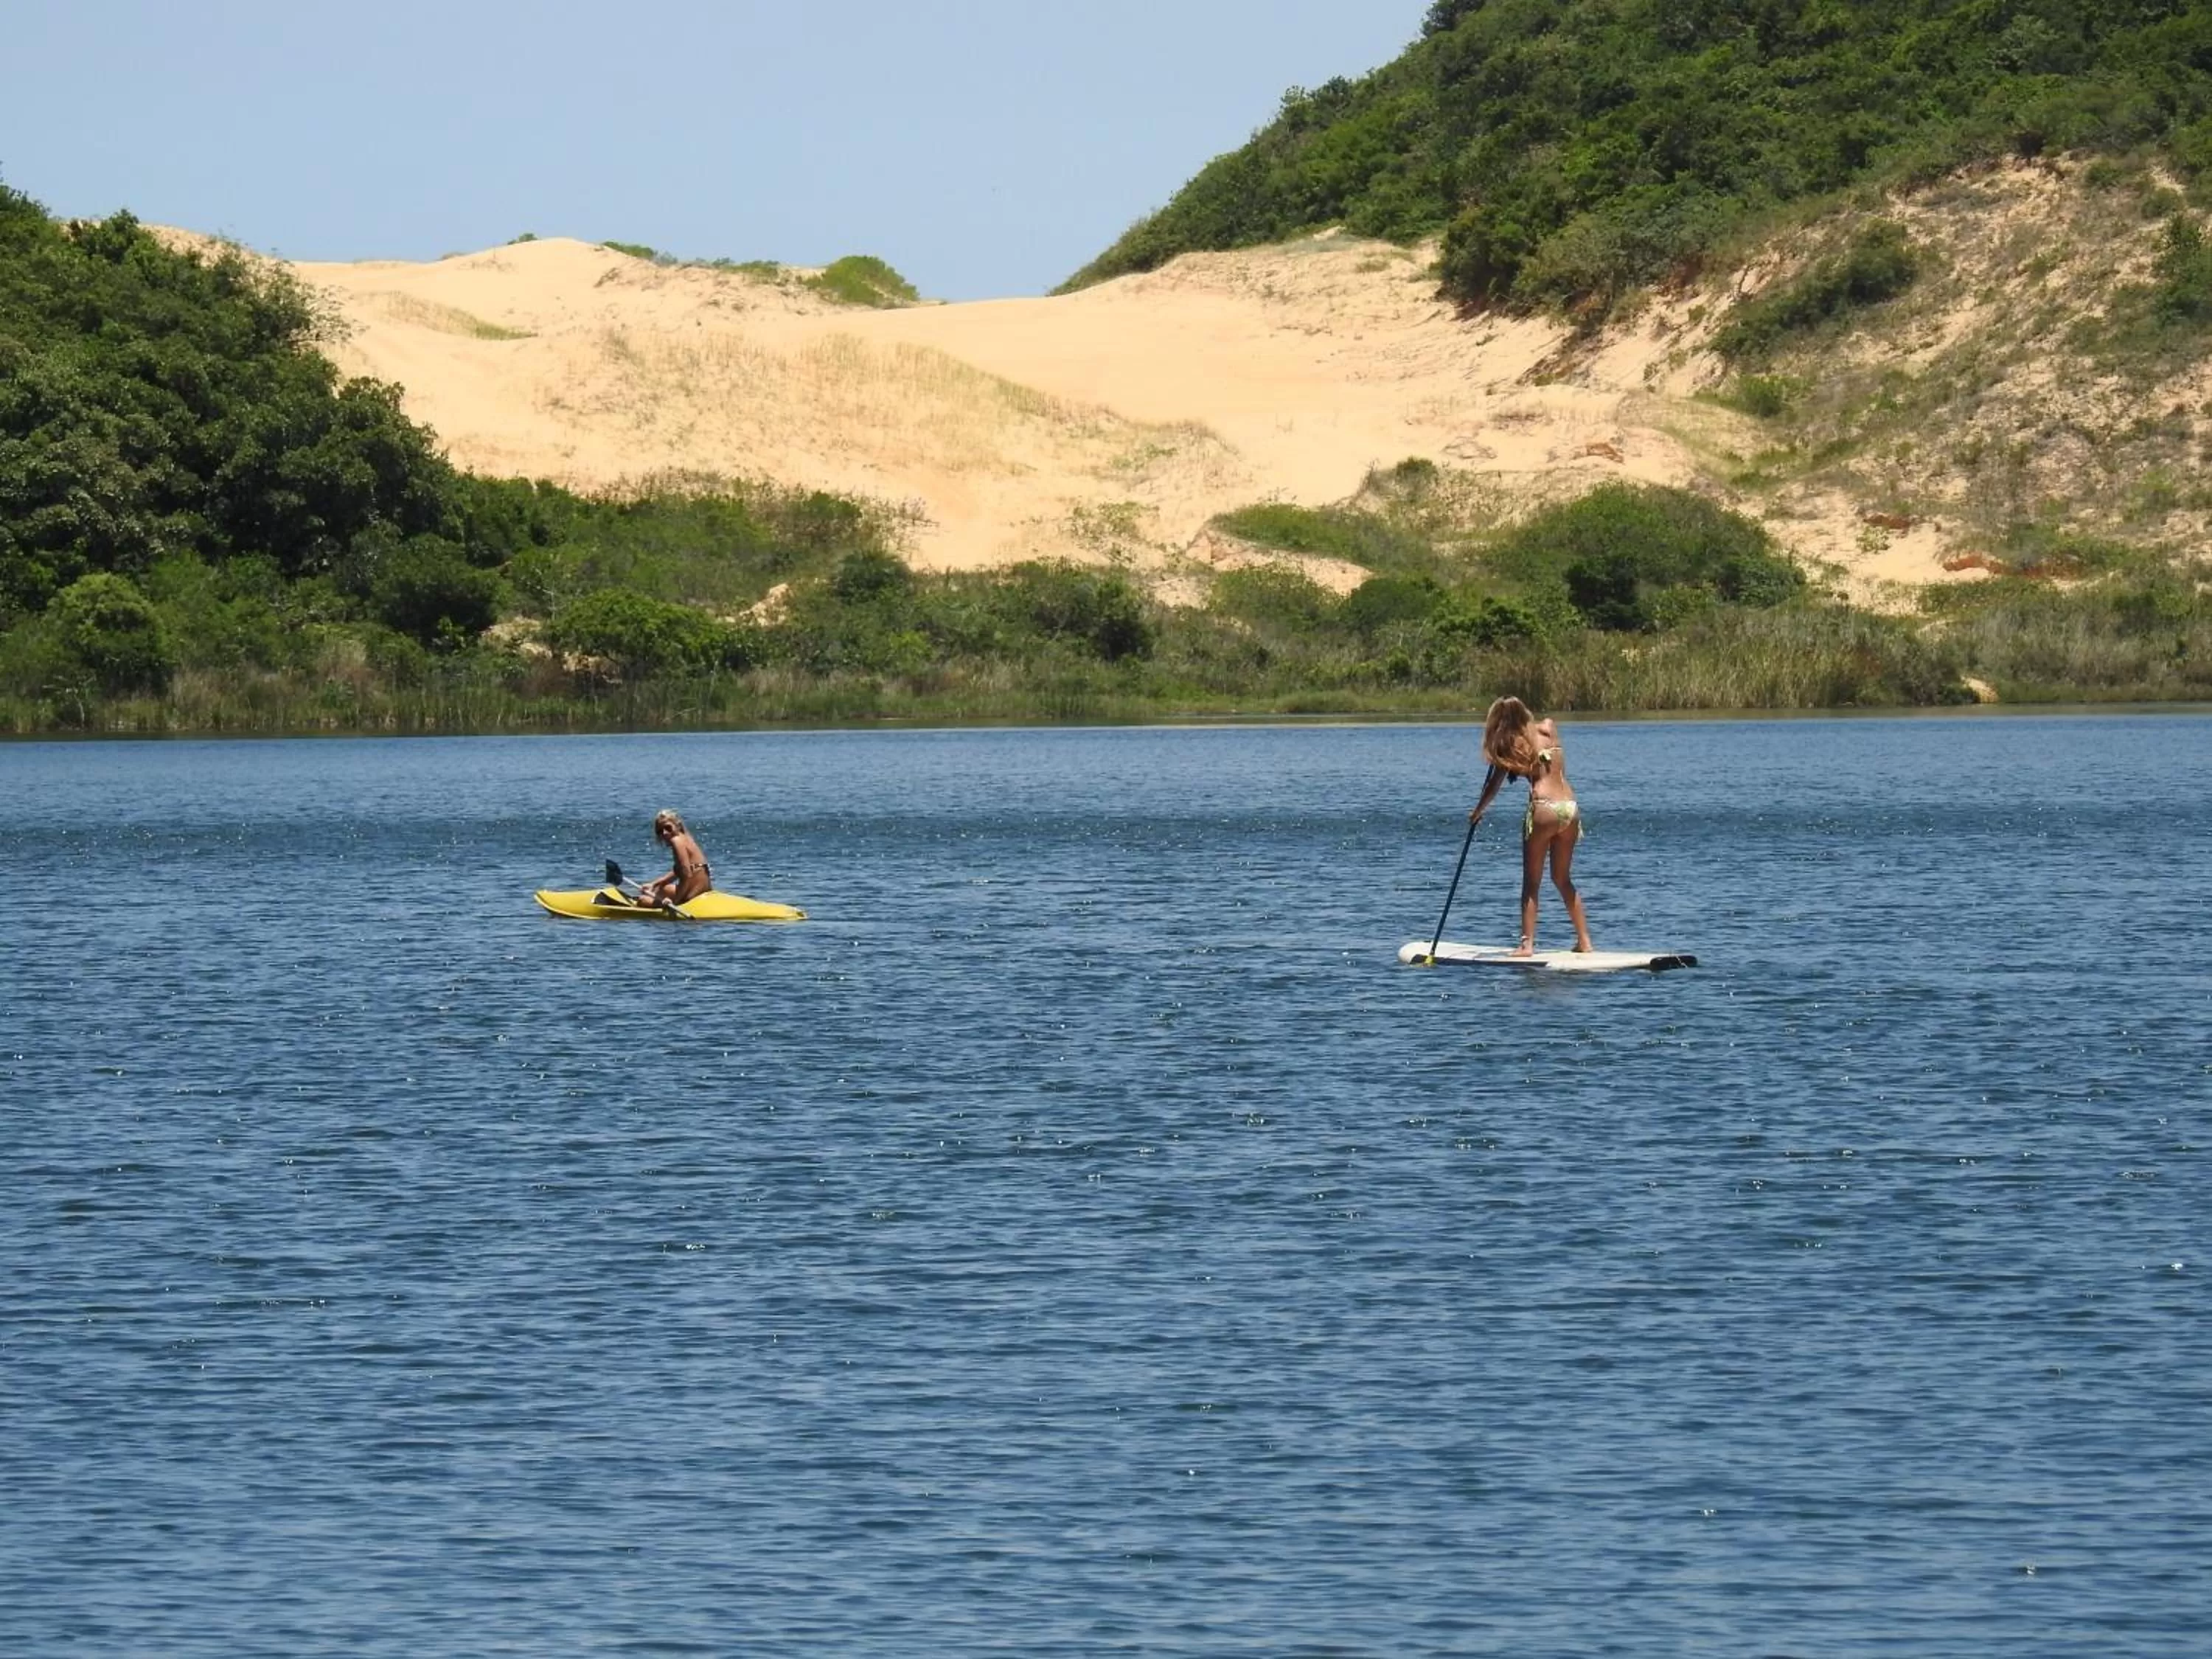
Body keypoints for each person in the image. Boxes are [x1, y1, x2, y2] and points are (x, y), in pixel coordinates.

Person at [1467, 696, 1593, 956]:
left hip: (1544, 808)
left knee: (1531, 882)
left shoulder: (1513, 744)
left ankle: (1526, 945)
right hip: (1570, 808)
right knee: (1562, 879)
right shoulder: (1548, 727)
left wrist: (1477, 813)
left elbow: (1493, 787)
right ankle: (1585, 942)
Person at [636, 810, 714, 909]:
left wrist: (676, 902)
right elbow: (681, 869)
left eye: (668, 828)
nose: (664, 833)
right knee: (660, 889)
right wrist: (654, 884)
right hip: (704, 889)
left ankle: (662, 904)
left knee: (642, 900)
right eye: (660, 831)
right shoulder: (686, 838)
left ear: (678, 825)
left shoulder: (676, 841)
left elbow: (687, 874)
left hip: (693, 893)